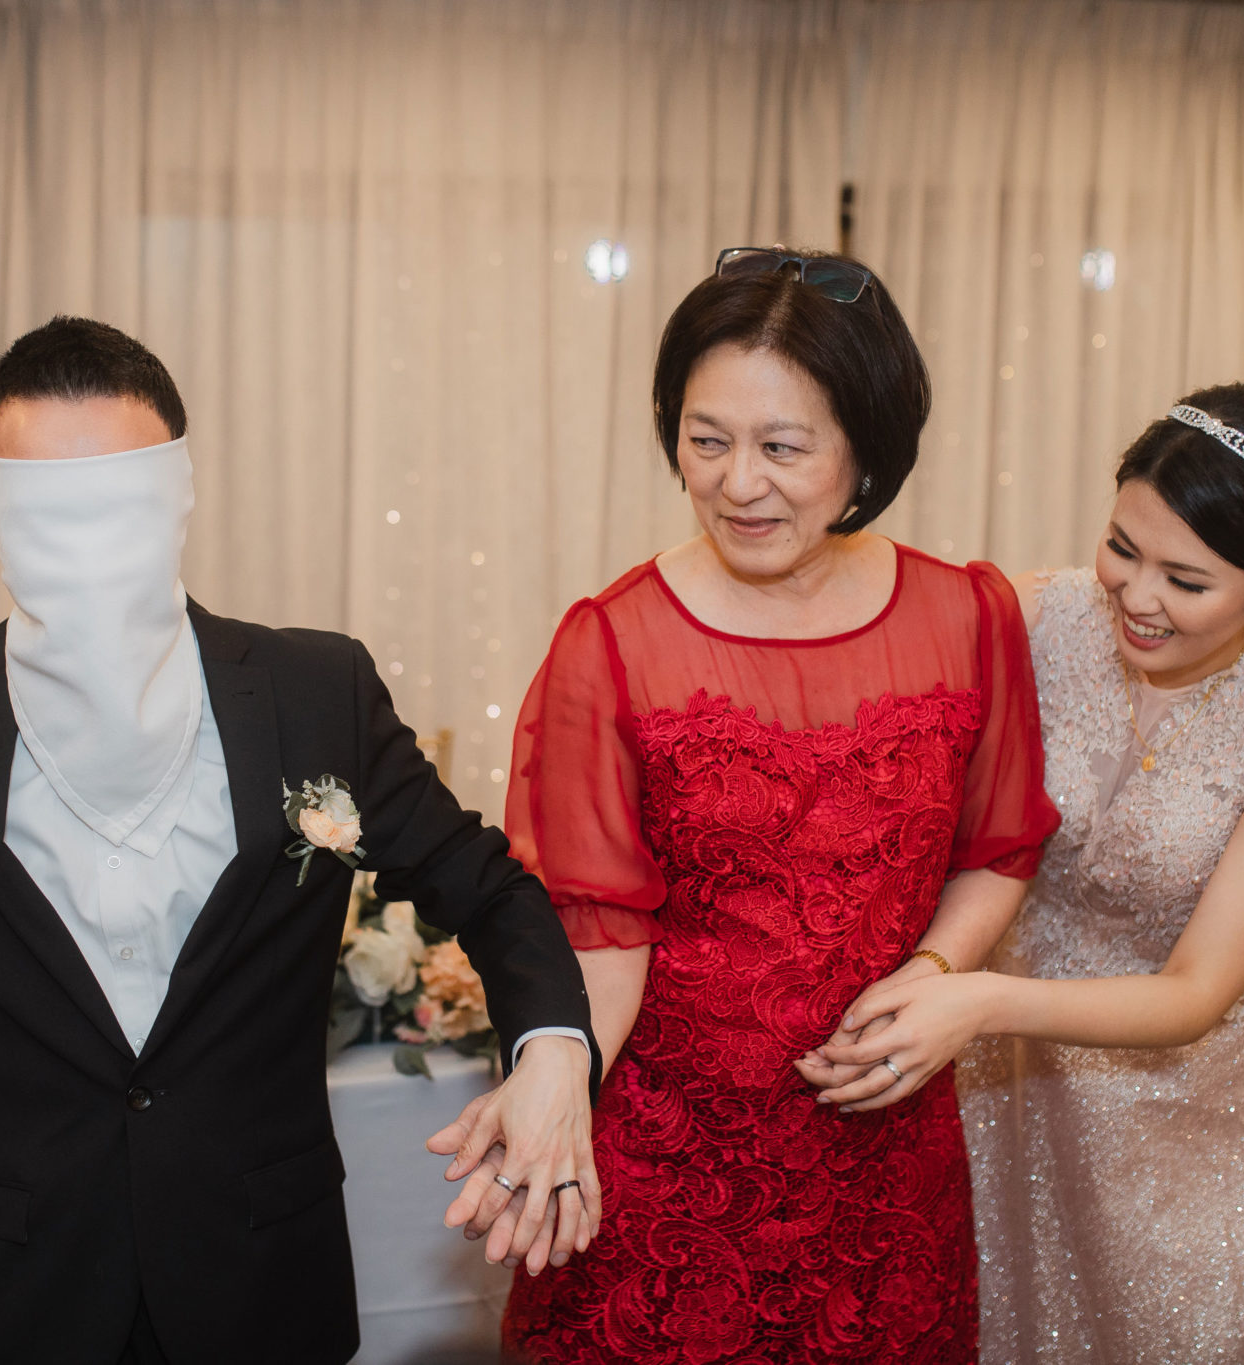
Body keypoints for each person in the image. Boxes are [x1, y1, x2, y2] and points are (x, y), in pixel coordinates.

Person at [0, 316, 600, 1365]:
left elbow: (489, 891)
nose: (84, 550)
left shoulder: (313, 690)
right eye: (45, 515)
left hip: (263, 1274)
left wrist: (553, 1057)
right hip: (31, 1287)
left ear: (179, 496)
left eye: (115, 506)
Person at [453, 247, 1058, 1363]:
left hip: (885, 1143)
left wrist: (932, 978)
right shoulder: (612, 641)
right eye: (705, 439)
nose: (737, 483)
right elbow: (598, 928)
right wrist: (555, 1076)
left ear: (866, 446)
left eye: (782, 447)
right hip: (667, 1168)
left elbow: (999, 847)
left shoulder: (967, 617)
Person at [803, 384, 1244, 1361]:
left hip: (1208, 1103)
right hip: (1017, 1084)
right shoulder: (1036, 616)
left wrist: (977, 1003)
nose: (1135, 596)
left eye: (1185, 579)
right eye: (1120, 548)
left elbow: (1196, 990)